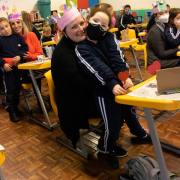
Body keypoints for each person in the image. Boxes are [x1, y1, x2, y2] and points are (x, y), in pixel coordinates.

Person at [75, 4, 151, 169]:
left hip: (120, 85)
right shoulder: (81, 48)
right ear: (88, 20)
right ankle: (108, 150)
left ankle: (141, 134)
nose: (98, 26)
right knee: (113, 124)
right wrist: (112, 83)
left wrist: (124, 76)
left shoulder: (109, 38)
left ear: (107, 29)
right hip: (104, 91)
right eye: (95, 21)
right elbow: (96, 68)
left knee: (131, 112)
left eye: (103, 25)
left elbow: (118, 58)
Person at [9, 12, 45, 111]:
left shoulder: (31, 35)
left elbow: (41, 56)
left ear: (22, 23)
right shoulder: (10, 40)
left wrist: (30, 56)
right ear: (10, 26)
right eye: (13, 23)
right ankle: (13, 108)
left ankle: (44, 102)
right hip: (21, 72)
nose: (16, 25)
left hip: (35, 70)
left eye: (18, 22)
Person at [0, 16, 28, 122]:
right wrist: (3, 64)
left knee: (17, 89)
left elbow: (25, 48)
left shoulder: (18, 38)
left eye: (6, 26)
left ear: (10, 26)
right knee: (10, 90)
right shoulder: (1, 40)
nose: (5, 30)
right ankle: (11, 110)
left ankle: (16, 108)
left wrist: (20, 56)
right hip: (8, 70)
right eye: (2, 28)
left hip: (19, 68)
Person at [147, 1, 180, 69]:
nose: (165, 15)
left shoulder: (165, 25)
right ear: (155, 15)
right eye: (161, 13)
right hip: (157, 62)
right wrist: (178, 48)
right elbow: (162, 54)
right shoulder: (155, 31)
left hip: (164, 59)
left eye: (166, 12)